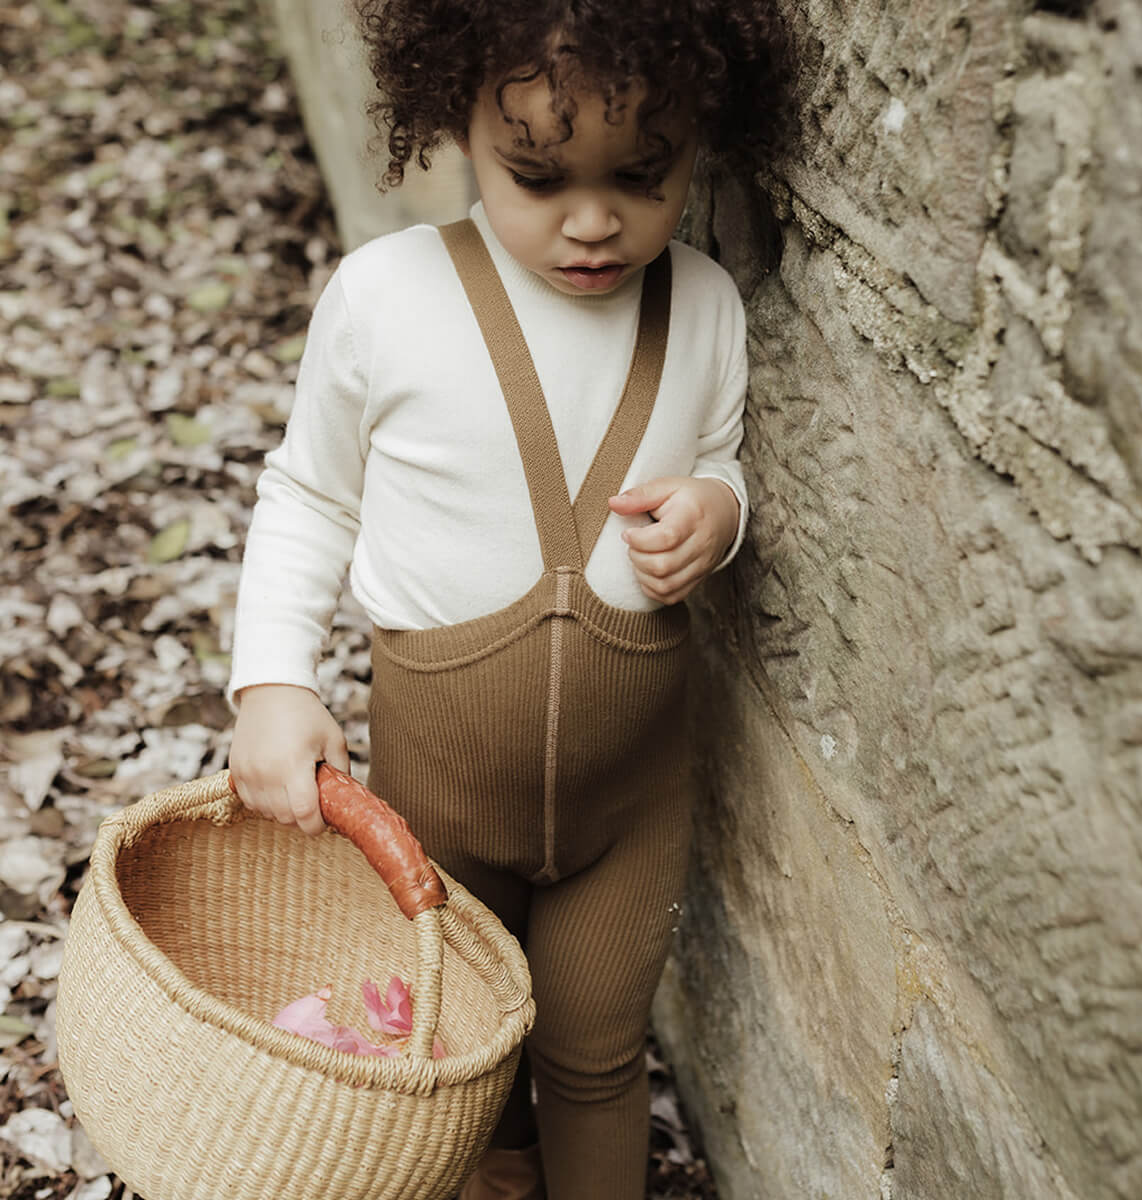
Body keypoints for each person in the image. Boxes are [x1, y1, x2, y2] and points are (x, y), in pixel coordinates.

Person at [227, 3, 795, 1197]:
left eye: (642, 175)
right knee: (457, 1045)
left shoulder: (703, 305)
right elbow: (309, 495)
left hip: (627, 807)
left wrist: (719, 508)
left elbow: (722, 453)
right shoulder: (386, 297)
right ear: (457, 127)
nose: (592, 221)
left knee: (597, 1055)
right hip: (439, 798)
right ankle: (491, 1168)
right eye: (538, 176)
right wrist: (274, 682)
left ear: (698, 138)